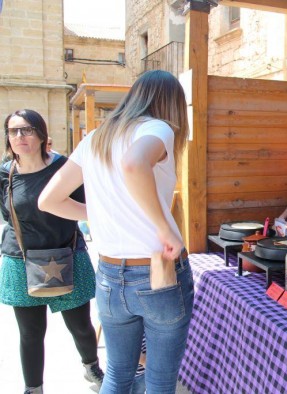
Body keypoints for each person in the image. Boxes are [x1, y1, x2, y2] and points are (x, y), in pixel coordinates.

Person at [39, 70, 195, 394]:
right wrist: (167, 229)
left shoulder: (95, 138)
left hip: (110, 275)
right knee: (159, 380)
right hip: (158, 273)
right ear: (172, 104)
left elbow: (48, 200)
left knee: (118, 374)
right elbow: (134, 163)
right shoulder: (159, 128)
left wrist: (95, 214)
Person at [0, 109, 104, 394]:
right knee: (31, 333)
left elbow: (88, 209)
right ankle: (33, 388)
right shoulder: (4, 173)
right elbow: (8, 217)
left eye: (28, 130)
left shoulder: (64, 167)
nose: (20, 136)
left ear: (42, 133)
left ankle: (91, 367)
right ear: (8, 138)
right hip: (20, 261)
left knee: (81, 327)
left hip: (67, 255)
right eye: (14, 131)